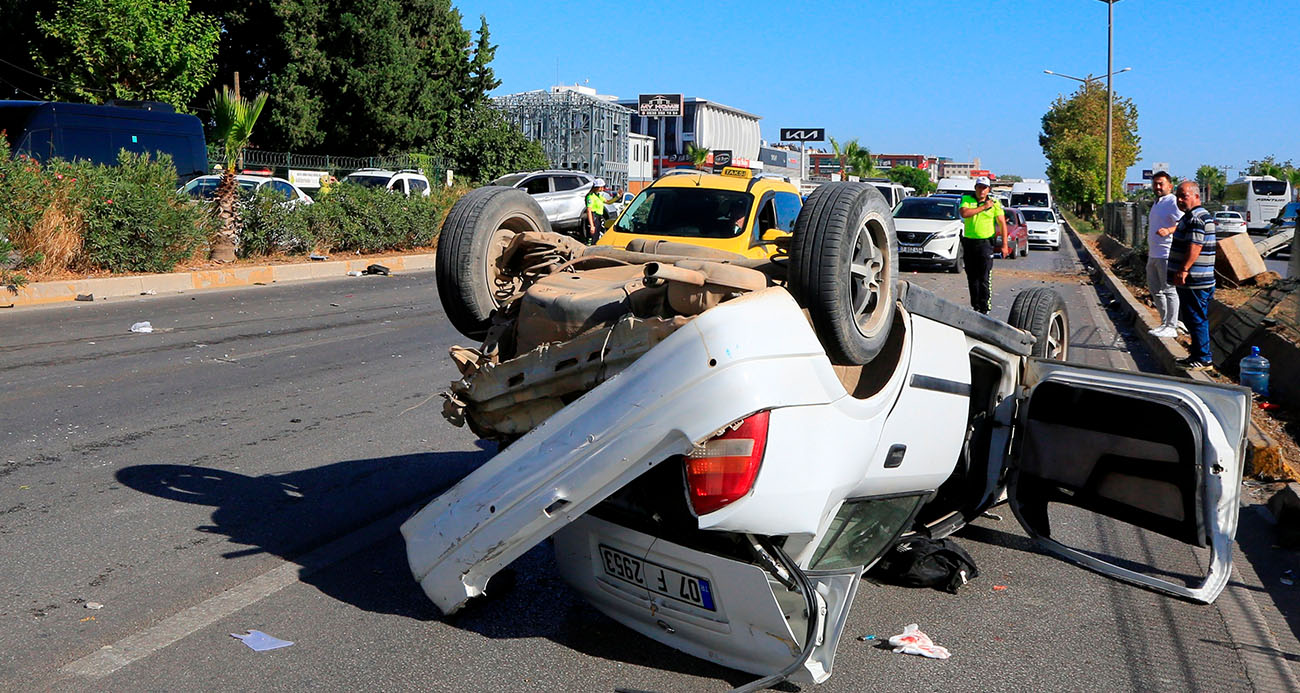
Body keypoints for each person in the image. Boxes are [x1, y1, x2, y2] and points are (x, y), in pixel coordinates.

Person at [1168, 181, 1217, 370]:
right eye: (1178, 196)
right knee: (1193, 317)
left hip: (1195, 280)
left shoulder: (1196, 218)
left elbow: (1195, 247)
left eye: (1184, 196)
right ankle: (1197, 355)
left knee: (1196, 318)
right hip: (1196, 279)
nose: (1180, 200)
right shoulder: (1194, 216)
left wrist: (1183, 270)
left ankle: (1204, 358)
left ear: (1196, 196)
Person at [958, 177, 1010, 314]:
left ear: (988, 189)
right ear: (975, 188)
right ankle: (975, 306)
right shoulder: (967, 199)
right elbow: (964, 213)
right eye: (979, 187)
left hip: (985, 243)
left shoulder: (995, 203)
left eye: (984, 187)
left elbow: (1002, 224)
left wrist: (1004, 245)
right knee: (972, 276)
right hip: (969, 242)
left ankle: (984, 306)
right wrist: (983, 207)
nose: (982, 190)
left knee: (984, 276)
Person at [1145, 171, 1182, 337]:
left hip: (1166, 253)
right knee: (1155, 290)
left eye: (1161, 184)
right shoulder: (1157, 202)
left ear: (1170, 186)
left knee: (1169, 290)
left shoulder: (1172, 202)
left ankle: (1172, 326)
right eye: (1155, 184)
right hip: (1154, 253)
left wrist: (1168, 230)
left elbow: (1182, 224)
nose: (1158, 187)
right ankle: (1165, 322)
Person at [584, 178, 609, 243]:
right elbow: (589, 211)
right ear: (597, 187)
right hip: (593, 217)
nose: (603, 189)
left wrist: (617, 197)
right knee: (592, 238)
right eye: (601, 187)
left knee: (597, 237)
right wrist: (592, 225)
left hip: (599, 218)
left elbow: (608, 202)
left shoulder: (598, 196)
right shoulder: (590, 196)